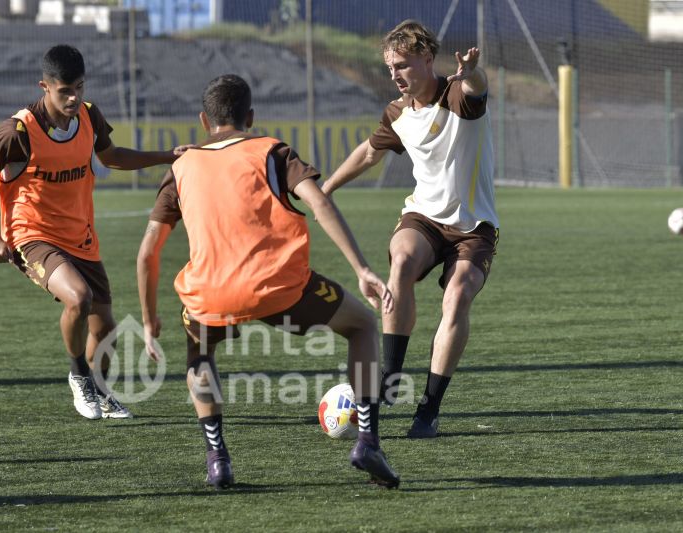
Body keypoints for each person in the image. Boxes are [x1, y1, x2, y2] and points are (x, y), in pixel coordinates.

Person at [137, 74, 400, 489]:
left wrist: (150, 322)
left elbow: (148, 252)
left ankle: (217, 458)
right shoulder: (272, 151)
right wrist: (362, 269)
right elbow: (319, 202)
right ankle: (368, 439)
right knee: (363, 325)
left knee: (199, 355)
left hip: (210, 294)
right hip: (279, 287)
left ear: (205, 120)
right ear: (251, 117)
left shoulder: (181, 165)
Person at [0, 44, 188, 421]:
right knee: (79, 299)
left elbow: (112, 157)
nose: (73, 98)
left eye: (80, 88)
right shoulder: (18, 131)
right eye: (64, 91)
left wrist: (168, 156)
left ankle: (101, 392)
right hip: (31, 236)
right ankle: (78, 377)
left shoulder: (89, 116)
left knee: (106, 327)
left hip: (81, 237)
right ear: (44, 87)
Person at [322, 20, 499, 439]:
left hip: (474, 228)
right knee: (400, 261)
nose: (395, 75)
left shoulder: (457, 96)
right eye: (389, 68)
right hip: (423, 217)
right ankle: (390, 378)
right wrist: (325, 188)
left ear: (426, 59)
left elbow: (478, 87)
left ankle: (429, 409)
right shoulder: (398, 113)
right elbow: (368, 153)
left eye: (402, 65)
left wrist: (472, 70)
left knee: (456, 299)